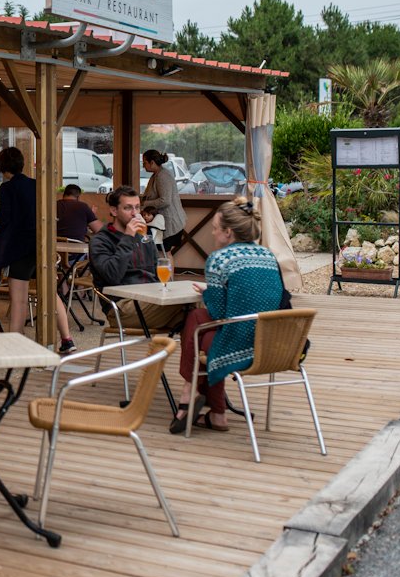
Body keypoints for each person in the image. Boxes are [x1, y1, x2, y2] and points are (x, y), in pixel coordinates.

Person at [173, 197, 285, 433]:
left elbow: (220, 313)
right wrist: (219, 290)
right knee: (200, 326)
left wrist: (212, 292)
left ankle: (191, 389)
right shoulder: (268, 256)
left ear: (228, 232)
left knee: (200, 331)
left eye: (214, 229)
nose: (212, 234)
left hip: (241, 343)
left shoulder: (219, 259)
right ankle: (216, 415)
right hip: (272, 343)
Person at [0, 147, 77, 355]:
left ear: (3, 168)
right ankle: (67, 338)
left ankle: (15, 343)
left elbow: (2, 221)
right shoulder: (36, 185)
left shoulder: (7, 188)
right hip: (42, 246)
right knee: (50, 293)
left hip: (20, 248)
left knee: (19, 298)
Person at [88, 185, 186, 335]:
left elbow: (156, 269)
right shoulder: (100, 241)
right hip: (122, 307)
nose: (135, 214)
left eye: (137, 208)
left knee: (197, 314)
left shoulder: (143, 237)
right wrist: (128, 237)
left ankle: (199, 358)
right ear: (114, 211)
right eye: (128, 208)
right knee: (188, 304)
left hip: (151, 299)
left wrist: (166, 291)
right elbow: (112, 275)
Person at [140, 149, 187, 254]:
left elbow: (165, 201)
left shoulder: (162, 176)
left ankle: (167, 271)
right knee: (163, 253)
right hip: (164, 222)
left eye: (145, 163)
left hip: (170, 223)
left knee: (164, 254)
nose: (144, 166)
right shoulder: (157, 174)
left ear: (152, 162)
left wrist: (144, 204)